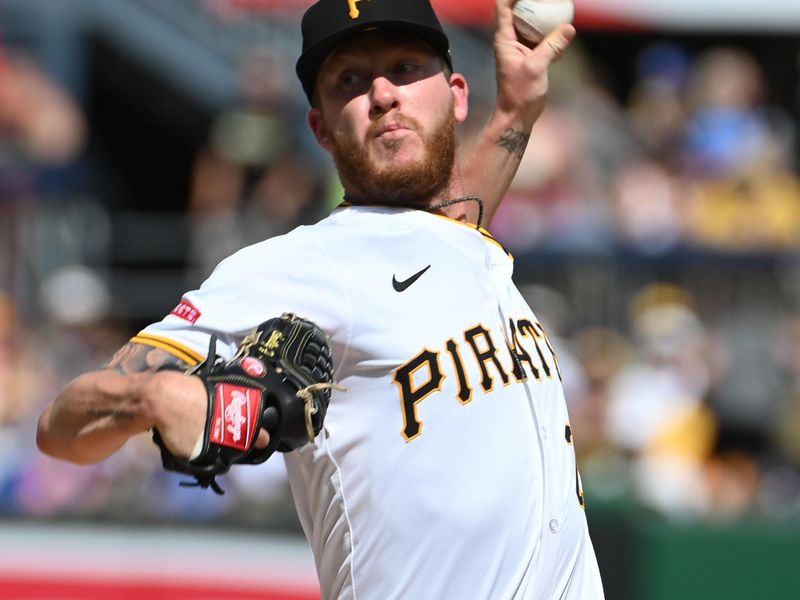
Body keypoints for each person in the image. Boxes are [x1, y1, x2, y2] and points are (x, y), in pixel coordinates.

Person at [37, 0, 603, 598]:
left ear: (458, 95)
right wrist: (153, 394)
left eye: (406, 68)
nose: (383, 94)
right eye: (350, 81)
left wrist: (516, 112)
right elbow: (59, 426)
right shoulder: (303, 267)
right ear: (322, 129)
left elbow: (448, 232)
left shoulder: (463, 241)